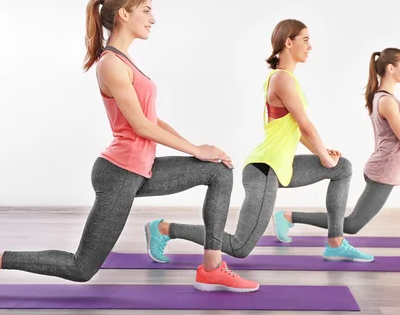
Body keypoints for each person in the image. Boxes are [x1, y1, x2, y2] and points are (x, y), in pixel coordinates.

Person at [0, 0, 259, 295]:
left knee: (218, 170)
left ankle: (211, 268)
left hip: (141, 170)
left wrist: (201, 149)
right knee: (81, 267)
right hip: (119, 174)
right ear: (124, 13)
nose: (153, 18)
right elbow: (141, 126)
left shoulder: (125, 61)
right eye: (147, 10)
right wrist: (195, 149)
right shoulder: (111, 63)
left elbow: (150, 119)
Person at [145, 19, 374, 263]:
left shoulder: (286, 80)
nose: (310, 46)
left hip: (280, 166)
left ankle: (335, 243)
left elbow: (295, 129)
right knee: (239, 246)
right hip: (265, 170)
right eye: (305, 40)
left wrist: (321, 153)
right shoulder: (282, 79)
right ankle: (163, 229)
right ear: (288, 42)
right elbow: (305, 124)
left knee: (342, 168)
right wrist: (325, 157)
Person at [274, 48, 400, 244]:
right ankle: (288, 217)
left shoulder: (387, 98)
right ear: (391, 68)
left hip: (398, 166)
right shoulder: (386, 101)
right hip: (384, 170)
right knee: (352, 225)